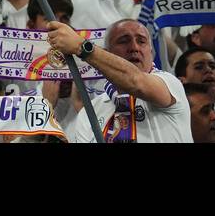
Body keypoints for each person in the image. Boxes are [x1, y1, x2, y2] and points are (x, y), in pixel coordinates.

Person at [47, 18, 191, 143]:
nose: (134, 47)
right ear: (107, 53)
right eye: (123, 41)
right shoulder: (90, 112)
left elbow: (136, 82)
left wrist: (81, 47)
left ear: (151, 53)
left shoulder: (170, 83)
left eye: (141, 41)